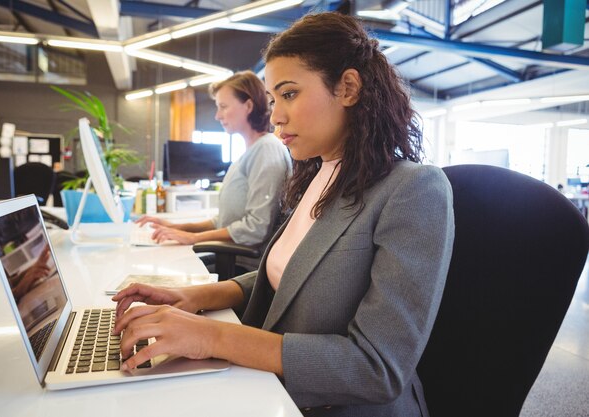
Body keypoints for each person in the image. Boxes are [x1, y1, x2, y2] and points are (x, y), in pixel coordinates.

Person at [114, 12, 454, 417]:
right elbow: (292, 274)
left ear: (347, 87)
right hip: (274, 391)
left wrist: (211, 337)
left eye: (289, 94)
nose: (275, 116)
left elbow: (376, 368)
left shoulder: (412, 189)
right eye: (274, 100)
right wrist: (197, 296)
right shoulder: (320, 174)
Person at [136, 71, 291, 271]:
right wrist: (175, 227)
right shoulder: (250, 152)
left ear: (249, 106)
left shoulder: (266, 150)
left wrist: (193, 238)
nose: (218, 115)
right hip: (230, 256)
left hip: (247, 269)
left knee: (164, 272)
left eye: (223, 107)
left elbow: (255, 228)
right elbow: (224, 221)